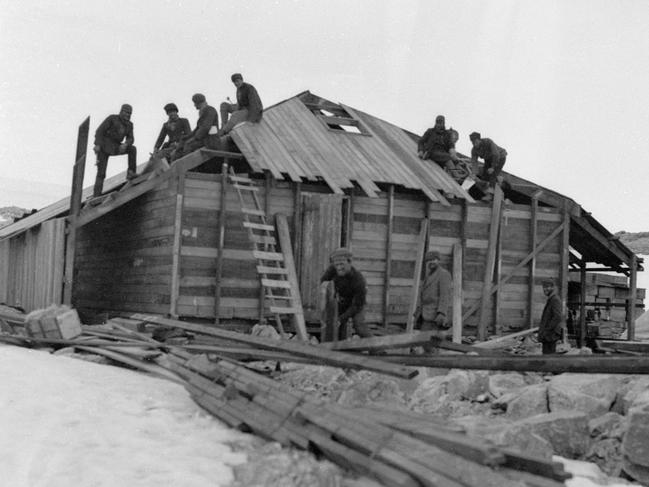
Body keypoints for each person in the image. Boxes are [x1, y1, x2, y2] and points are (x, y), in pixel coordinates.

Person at [320, 248, 373, 341]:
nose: (339, 267)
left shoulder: (358, 279)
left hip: (356, 304)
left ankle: (377, 349)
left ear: (349, 263)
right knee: (333, 324)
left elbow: (357, 305)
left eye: (342, 264)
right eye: (336, 265)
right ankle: (339, 349)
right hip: (341, 302)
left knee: (359, 325)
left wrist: (341, 318)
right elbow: (323, 282)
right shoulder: (332, 270)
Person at [93, 104, 137, 197]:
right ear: (121, 111)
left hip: (117, 146)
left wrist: (125, 144)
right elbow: (99, 131)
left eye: (130, 113)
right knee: (101, 173)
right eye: (126, 112)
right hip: (104, 147)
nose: (127, 115)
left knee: (132, 149)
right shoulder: (112, 118)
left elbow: (131, 138)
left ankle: (131, 173)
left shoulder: (129, 125)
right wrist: (97, 144)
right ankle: (96, 195)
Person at [413, 250, 452, 353]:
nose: (431, 262)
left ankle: (434, 359)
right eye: (429, 260)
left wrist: (441, 313)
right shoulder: (429, 276)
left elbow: (445, 295)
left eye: (434, 259)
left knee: (426, 339)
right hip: (426, 313)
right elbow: (424, 296)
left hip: (435, 314)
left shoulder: (444, 274)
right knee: (427, 340)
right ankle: (432, 359)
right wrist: (418, 310)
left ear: (438, 260)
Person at [172, 93, 219, 160]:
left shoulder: (210, 110)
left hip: (210, 140)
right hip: (204, 139)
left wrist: (195, 138)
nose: (194, 105)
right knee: (184, 141)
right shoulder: (203, 111)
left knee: (189, 145)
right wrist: (187, 137)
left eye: (195, 103)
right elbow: (198, 128)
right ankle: (175, 162)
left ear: (198, 103)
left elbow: (205, 127)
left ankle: (186, 166)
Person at [469, 132, 507, 201]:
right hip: (488, 159)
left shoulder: (488, 142)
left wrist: (493, 167)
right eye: (472, 142)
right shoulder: (474, 150)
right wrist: (474, 173)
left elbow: (496, 155)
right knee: (485, 176)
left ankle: (490, 194)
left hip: (499, 157)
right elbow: (474, 162)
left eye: (476, 141)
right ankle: (493, 185)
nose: (474, 144)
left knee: (492, 175)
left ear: (479, 140)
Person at [538, 278, 563, 354]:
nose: (545, 289)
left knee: (548, 358)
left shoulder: (555, 300)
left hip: (550, 335)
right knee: (547, 356)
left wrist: (547, 330)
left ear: (553, 287)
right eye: (544, 287)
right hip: (548, 335)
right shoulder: (551, 299)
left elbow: (558, 317)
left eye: (547, 287)